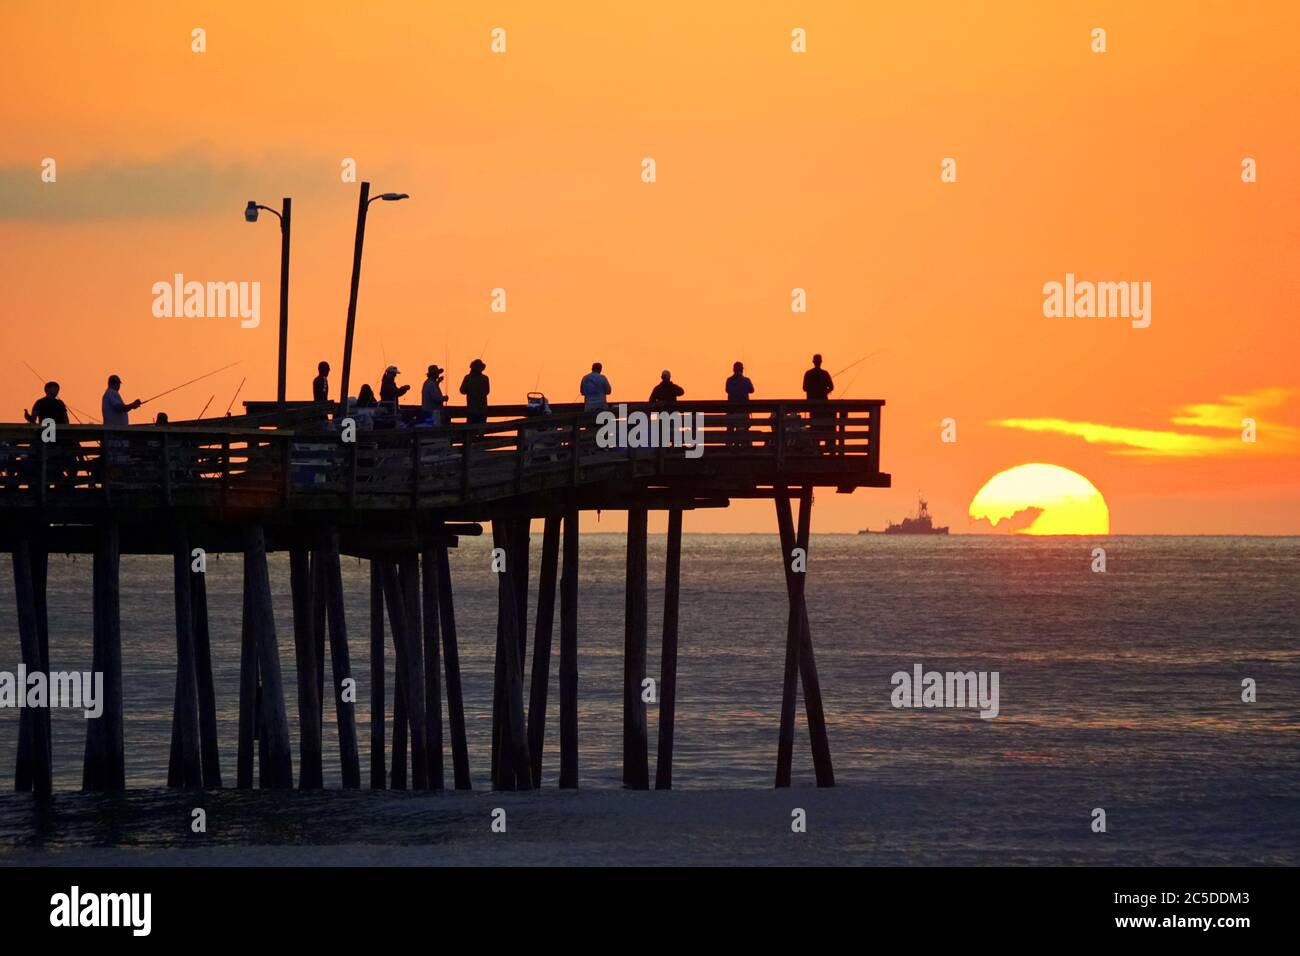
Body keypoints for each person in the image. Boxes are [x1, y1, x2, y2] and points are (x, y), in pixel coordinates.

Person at [801, 354, 835, 447]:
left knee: (814, 426)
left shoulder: (808, 373)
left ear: (813, 361)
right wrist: (825, 392)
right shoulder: (825, 373)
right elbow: (832, 387)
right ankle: (826, 447)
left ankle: (815, 446)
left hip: (812, 405)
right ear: (821, 362)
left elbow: (804, 388)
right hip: (824, 405)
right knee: (824, 425)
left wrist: (812, 391)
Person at [724, 362, 754, 448]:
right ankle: (745, 447)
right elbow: (752, 390)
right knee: (743, 429)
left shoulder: (729, 380)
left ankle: (729, 446)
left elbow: (727, 390)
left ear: (733, 369)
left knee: (730, 429)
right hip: (743, 411)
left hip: (731, 411)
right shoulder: (746, 380)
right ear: (742, 370)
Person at [460, 359, 490, 424]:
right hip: (483, 410)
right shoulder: (485, 378)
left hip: (471, 410)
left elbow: (462, 391)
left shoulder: (468, 378)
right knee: (481, 430)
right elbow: (487, 391)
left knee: (470, 430)